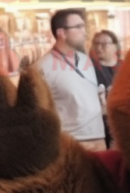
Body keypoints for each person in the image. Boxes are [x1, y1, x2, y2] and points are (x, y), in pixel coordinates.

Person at [36, 9, 106, 152]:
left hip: (99, 139)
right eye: (78, 27)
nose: (84, 32)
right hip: (72, 144)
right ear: (61, 33)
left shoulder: (86, 60)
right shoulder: (41, 67)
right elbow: (38, 111)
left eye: (84, 26)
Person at [90, 29, 123, 149]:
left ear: (115, 46)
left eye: (104, 44)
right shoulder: (89, 70)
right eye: (96, 43)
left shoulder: (125, 67)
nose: (99, 47)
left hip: (122, 123)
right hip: (99, 126)